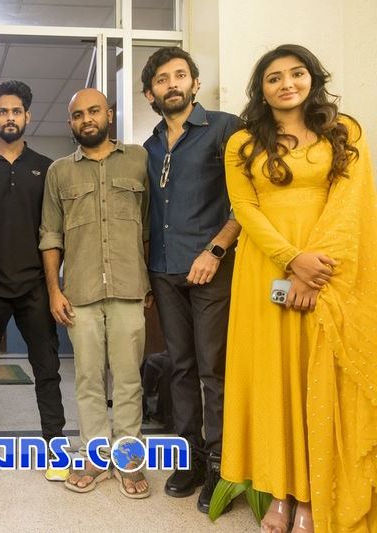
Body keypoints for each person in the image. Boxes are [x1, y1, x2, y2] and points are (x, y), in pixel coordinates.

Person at [221, 44, 377, 533]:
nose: (286, 83)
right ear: (261, 89)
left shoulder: (344, 131)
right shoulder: (243, 143)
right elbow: (245, 209)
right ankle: (280, 494)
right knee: (275, 379)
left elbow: (350, 207)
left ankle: (312, 497)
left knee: (319, 380)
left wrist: (310, 271)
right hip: (263, 271)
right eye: (274, 77)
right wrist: (291, 262)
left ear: (312, 79)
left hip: (329, 273)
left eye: (296, 73)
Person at [140, 47, 241, 512]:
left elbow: (248, 201)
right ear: (151, 94)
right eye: (162, 80)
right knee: (178, 366)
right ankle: (191, 459)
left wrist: (216, 250)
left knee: (212, 368)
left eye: (180, 75)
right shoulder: (149, 147)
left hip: (211, 269)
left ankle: (221, 465)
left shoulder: (225, 128)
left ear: (195, 84)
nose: (172, 84)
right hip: (164, 270)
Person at [40, 88, 151, 498]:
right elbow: (50, 235)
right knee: (88, 379)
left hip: (128, 287)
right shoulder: (59, 172)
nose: (87, 119)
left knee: (128, 379)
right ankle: (95, 456)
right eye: (78, 115)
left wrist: (147, 281)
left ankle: (128, 458)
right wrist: (54, 290)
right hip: (80, 292)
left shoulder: (138, 160)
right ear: (70, 123)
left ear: (109, 114)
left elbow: (148, 226)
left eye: (94, 111)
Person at [0, 80, 67, 483]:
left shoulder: (48, 167)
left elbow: (54, 231)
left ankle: (55, 447)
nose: (10, 118)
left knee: (48, 370)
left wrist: (55, 287)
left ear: (28, 116)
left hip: (34, 286)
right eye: (3, 111)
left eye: (16, 111)